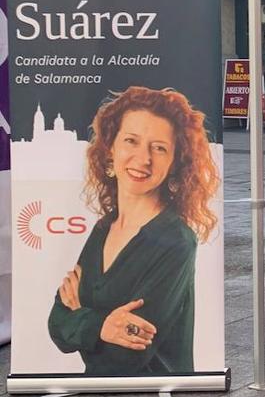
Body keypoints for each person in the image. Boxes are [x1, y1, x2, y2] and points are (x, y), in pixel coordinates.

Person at [49, 86, 220, 376]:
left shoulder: (175, 241)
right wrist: (103, 326)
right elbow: (56, 324)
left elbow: (123, 357)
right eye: (131, 141)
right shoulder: (105, 227)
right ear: (111, 148)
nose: (143, 159)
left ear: (175, 163)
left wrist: (80, 317)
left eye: (159, 147)